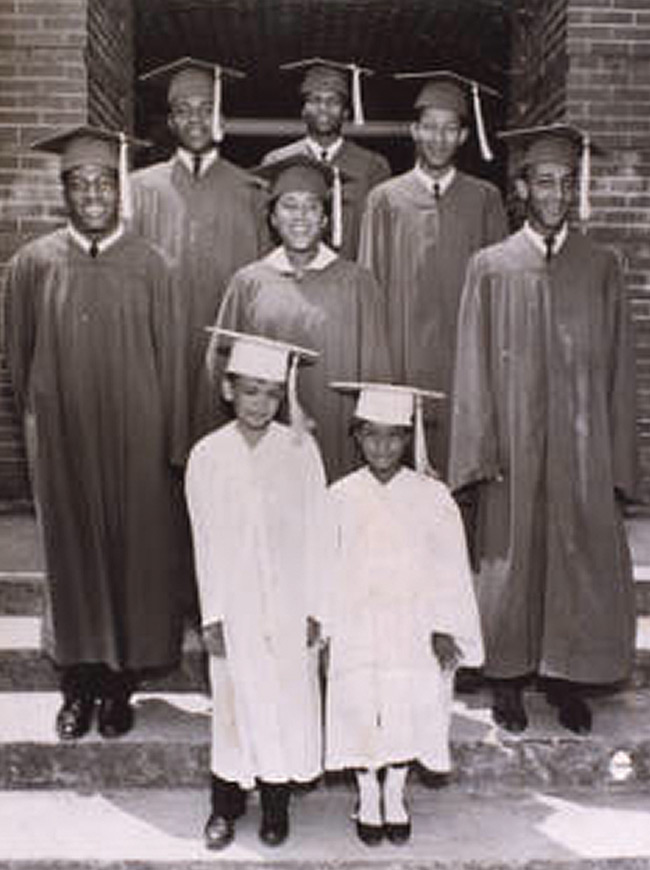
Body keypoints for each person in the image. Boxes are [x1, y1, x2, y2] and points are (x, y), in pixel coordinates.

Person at [449, 123, 638, 736]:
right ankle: (507, 680)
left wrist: (616, 459)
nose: (555, 193)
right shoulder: (492, 266)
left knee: (576, 558)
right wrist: (477, 450)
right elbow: (472, 362)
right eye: (544, 181)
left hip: (582, 447)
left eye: (565, 182)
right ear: (523, 187)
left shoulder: (602, 266)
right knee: (510, 561)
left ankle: (566, 679)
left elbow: (619, 364)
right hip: (513, 443)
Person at [3, 126, 187, 741]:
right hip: (63, 435)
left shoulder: (154, 265)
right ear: (65, 193)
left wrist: (170, 443)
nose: (92, 194)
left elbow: (173, 359)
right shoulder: (32, 264)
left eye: (103, 182)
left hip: (137, 435)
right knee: (74, 556)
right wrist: (40, 422)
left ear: (119, 189)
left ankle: (118, 686)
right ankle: (77, 687)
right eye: (79, 184)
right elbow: (19, 357)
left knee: (130, 556)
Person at [324, 382, 483, 845]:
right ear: (356, 436)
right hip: (356, 624)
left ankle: (394, 792)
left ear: (409, 438)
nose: (383, 446)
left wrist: (444, 627)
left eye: (395, 436)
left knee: (410, 708)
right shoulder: (338, 496)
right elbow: (323, 567)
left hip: (415, 625)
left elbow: (451, 568)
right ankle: (366, 792)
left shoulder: (433, 497)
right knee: (360, 706)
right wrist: (325, 629)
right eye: (371, 434)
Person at [185, 330, 327, 850]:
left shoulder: (301, 450)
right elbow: (202, 540)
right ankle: (225, 806)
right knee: (232, 702)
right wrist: (212, 614)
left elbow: (319, 530)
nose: (261, 403)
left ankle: (275, 805)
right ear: (228, 390)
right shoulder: (207, 455)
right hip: (236, 603)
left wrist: (317, 608)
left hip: (291, 602)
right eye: (250, 390)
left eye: (271, 392)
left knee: (287, 701)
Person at [358, 71, 507, 477]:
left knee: (465, 479)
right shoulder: (385, 200)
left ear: (463, 136)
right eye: (430, 128)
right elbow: (370, 289)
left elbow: (500, 291)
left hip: (466, 360)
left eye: (450, 129)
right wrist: (380, 373)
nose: (439, 139)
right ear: (414, 131)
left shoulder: (485, 200)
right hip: (404, 359)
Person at [211, 153, 392, 482]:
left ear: (325, 219)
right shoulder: (249, 282)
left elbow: (378, 374)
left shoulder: (358, 283)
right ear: (273, 218)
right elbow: (221, 371)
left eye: (312, 207)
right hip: (265, 437)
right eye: (289, 206)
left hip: (340, 438)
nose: (300, 217)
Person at [131, 57, 268, 443]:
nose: (195, 119)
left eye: (206, 109)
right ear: (171, 121)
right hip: (163, 342)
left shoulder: (252, 191)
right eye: (183, 111)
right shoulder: (140, 189)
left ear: (221, 117)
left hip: (229, 342)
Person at [262, 58, 391, 260]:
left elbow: (382, 237)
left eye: (333, 101)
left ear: (346, 113)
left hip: (352, 279)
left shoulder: (373, 167)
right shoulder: (278, 160)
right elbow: (267, 234)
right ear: (303, 110)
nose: (324, 108)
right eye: (315, 100)